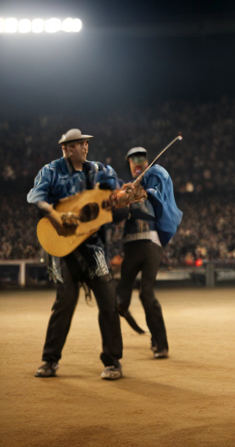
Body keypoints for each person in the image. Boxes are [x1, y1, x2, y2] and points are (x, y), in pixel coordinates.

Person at [28, 128, 134, 380]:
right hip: (60, 249)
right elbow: (38, 198)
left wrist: (125, 197)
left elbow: (114, 199)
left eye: (72, 145)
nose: (67, 148)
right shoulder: (51, 170)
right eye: (65, 146)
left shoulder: (102, 171)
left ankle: (113, 361)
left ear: (85, 146)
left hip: (93, 247)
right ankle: (49, 360)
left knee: (108, 302)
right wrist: (55, 216)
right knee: (64, 301)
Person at [115, 147, 182, 359]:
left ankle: (161, 344)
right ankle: (143, 331)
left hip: (151, 245)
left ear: (146, 162)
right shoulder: (125, 188)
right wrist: (123, 198)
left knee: (146, 293)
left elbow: (154, 207)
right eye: (133, 160)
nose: (137, 163)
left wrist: (140, 194)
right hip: (131, 247)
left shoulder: (154, 182)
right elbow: (116, 216)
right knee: (120, 302)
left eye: (141, 159)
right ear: (128, 164)